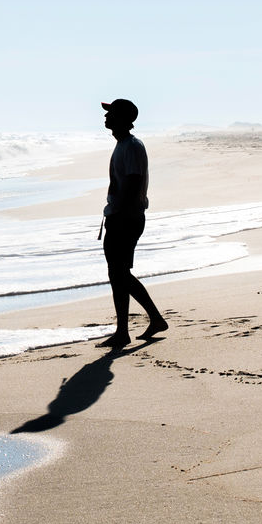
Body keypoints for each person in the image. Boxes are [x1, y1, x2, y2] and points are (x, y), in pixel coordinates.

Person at [97, 99, 168, 348]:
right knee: (118, 274)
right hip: (121, 216)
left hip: (126, 218)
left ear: (123, 119)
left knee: (119, 274)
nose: (106, 117)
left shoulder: (131, 147)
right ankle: (131, 328)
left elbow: (134, 182)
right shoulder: (123, 145)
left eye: (111, 114)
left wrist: (118, 214)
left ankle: (132, 328)